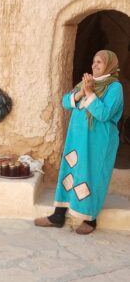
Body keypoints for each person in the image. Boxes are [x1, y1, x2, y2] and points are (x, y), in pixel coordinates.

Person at [35, 50, 124, 234]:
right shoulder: (87, 83)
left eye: (99, 62)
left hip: (98, 142)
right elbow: (66, 102)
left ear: (109, 65)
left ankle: (90, 220)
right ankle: (58, 215)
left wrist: (90, 92)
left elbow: (104, 114)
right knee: (70, 172)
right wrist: (80, 92)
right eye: (93, 61)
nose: (94, 65)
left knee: (91, 175)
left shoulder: (114, 88)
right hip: (76, 139)